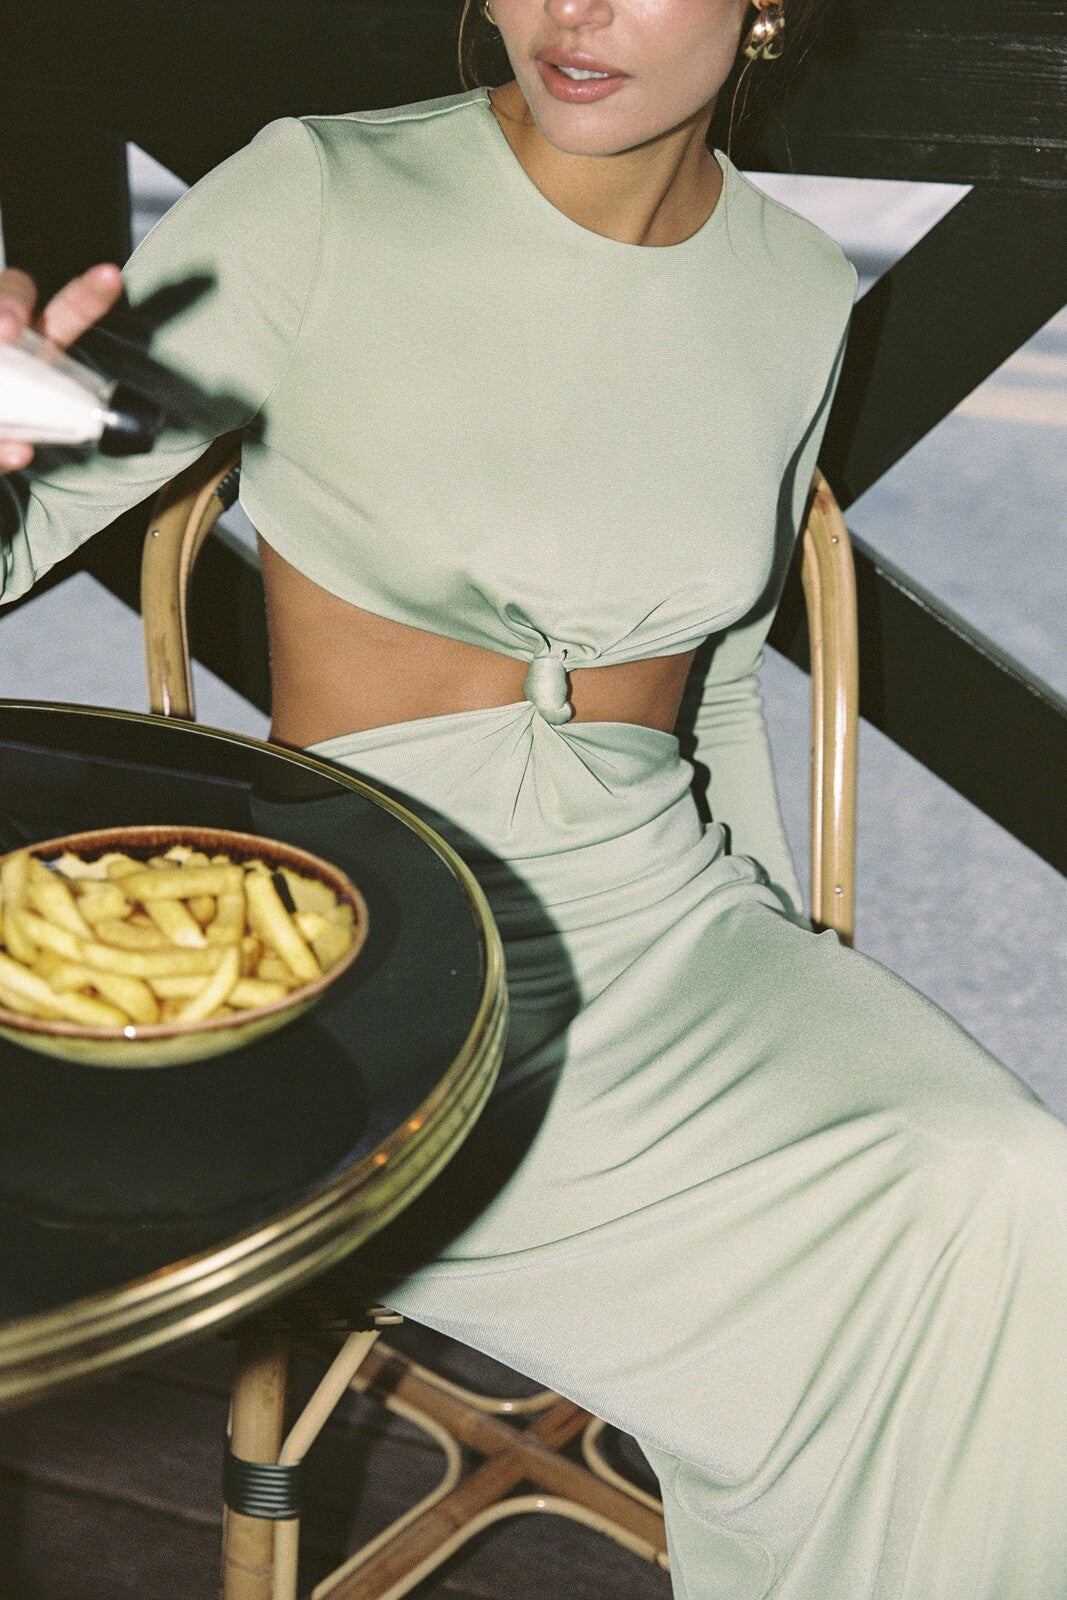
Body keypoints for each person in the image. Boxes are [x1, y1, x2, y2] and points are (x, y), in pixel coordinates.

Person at [2, 1, 1066, 1594]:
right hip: (386, 948)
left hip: (671, 918)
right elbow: (31, 524)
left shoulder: (791, 287)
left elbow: (708, 685)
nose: (574, 13)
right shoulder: (322, 194)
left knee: (1011, 1194)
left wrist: (790, 973)